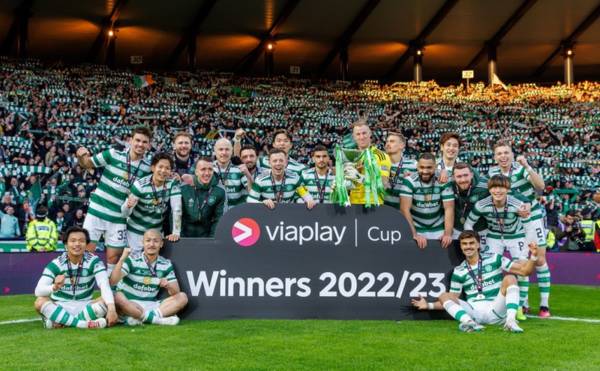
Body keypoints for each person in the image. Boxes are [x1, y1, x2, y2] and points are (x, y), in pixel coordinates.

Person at [411, 230, 539, 333]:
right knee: (444, 295)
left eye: (471, 243)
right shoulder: (459, 270)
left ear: (478, 245)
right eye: (464, 244)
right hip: (474, 312)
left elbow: (524, 271)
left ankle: (510, 322)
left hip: (496, 309)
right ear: (461, 247)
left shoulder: (495, 259)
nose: (468, 247)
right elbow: (451, 300)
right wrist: (429, 305)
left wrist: (533, 256)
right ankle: (470, 323)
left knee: (510, 278)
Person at [76, 126, 152, 275]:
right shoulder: (112, 154)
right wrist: (81, 155)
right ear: (130, 141)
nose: (140, 144)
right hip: (97, 212)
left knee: (113, 257)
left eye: (144, 142)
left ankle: (110, 292)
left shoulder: (148, 168)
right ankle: (82, 291)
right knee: (86, 253)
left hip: (119, 217)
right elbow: (87, 164)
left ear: (148, 145)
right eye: (137, 140)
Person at [489, 140, 551, 318]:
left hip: (533, 218)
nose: (503, 156)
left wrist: (528, 166)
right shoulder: (493, 173)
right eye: (499, 153)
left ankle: (544, 304)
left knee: (539, 259)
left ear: (512, 154)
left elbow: (540, 186)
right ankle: (523, 304)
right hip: (514, 221)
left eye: (506, 152)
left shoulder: (520, 169)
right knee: (522, 260)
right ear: (495, 157)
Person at [463, 175, 531, 316]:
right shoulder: (481, 205)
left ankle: (521, 304)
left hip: (515, 236)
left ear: (508, 189)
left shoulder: (517, 204)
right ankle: (495, 300)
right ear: (489, 189)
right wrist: (473, 239)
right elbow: (468, 223)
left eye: (501, 187)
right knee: (491, 268)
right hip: (494, 236)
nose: (498, 191)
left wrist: (528, 244)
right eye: (494, 187)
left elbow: (529, 224)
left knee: (522, 268)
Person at [33, 226, 117, 329]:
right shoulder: (57, 263)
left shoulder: (94, 261)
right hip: (60, 306)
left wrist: (112, 309)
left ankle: (61, 322)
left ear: (86, 245)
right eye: (73, 241)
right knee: (39, 302)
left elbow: (104, 285)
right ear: (66, 244)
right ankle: (83, 324)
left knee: (110, 299)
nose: (77, 244)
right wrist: (54, 287)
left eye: (81, 241)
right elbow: (38, 291)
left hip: (85, 305)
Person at [110, 229, 188, 326]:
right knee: (117, 296)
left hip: (151, 304)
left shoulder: (166, 264)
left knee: (182, 297)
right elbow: (113, 281)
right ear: (142, 242)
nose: (151, 244)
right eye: (148, 240)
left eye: (155, 241)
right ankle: (157, 320)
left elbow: (176, 292)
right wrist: (122, 259)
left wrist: (168, 285)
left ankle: (139, 318)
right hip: (129, 303)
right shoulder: (132, 259)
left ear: (161, 244)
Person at [121, 153, 182, 253]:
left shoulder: (173, 183)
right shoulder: (140, 185)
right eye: (160, 167)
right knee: (135, 264)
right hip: (136, 232)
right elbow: (124, 214)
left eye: (167, 168)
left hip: (156, 233)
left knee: (154, 265)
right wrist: (127, 206)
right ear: (153, 168)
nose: (163, 171)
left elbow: (177, 209)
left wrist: (176, 232)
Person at [400, 153, 454, 249]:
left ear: (436, 167)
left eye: (429, 167)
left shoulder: (443, 179)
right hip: (417, 227)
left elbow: (449, 208)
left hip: (438, 227)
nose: (425, 171)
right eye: (421, 167)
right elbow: (404, 209)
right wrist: (414, 234)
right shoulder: (409, 181)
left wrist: (447, 234)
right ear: (417, 166)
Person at [247, 149, 316, 209]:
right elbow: (250, 200)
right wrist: (262, 203)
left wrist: (309, 200)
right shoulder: (260, 179)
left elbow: (305, 194)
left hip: (288, 216)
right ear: (269, 163)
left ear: (285, 163)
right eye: (275, 161)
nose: (278, 163)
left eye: (281, 160)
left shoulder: (295, 177)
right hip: (268, 215)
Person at [180, 157, 226, 237]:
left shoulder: (219, 191)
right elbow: (177, 214)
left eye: (210, 169)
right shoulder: (184, 188)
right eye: (203, 169)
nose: (207, 173)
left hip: (207, 236)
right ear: (196, 172)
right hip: (185, 235)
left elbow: (218, 219)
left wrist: (212, 240)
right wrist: (180, 238)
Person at [348, 121, 391, 205]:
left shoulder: (381, 156)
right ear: (353, 137)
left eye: (364, 133)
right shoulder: (351, 157)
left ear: (370, 133)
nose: (362, 137)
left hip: (373, 205)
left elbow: (383, 185)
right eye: (358, 134)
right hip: (353, 205)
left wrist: (359, 177)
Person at [450, 163, 489, 239]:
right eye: (459, 176)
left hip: (481, 230)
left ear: (471, 174)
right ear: (453, 177)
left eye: (466, 175)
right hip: (457, 230)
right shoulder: (449, 185)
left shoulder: (485, 186)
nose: (463, 180)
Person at [213, 138, 251, 208]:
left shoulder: (240, 169)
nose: (224, 153)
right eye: (220, 149)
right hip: (215, 215)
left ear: (232, 151)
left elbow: (252, 192)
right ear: (215, 151)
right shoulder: (209, 169)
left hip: (235, 215)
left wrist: (248, 175)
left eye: (227, 149)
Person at [384, 132, 417, 209]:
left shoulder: (413, 165)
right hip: (383, 210)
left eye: (392, 141)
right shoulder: (379, 163)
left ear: (402, 145)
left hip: (403, 212)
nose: (388, 144)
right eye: (387, 141)